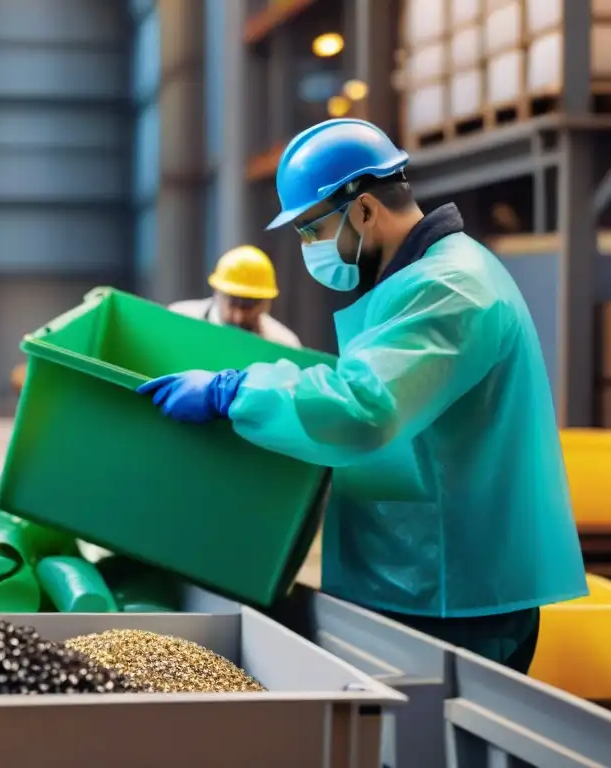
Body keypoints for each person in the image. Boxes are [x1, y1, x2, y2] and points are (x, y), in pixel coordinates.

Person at [137, 118, 587, 672]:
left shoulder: (450, 289)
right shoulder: (417, 280)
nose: (308, 247)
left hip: (455, 591)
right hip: (420, 573)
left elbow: (363, 408)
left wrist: (233, 390)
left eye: (310, 230)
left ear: (365, 209)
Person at [169, 246, 302, 348]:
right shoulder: (178, 322)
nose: (239, 317)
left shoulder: (283, 345)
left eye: (249, 306)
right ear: (217, 292)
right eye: (233, 303)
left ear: (266, 304)